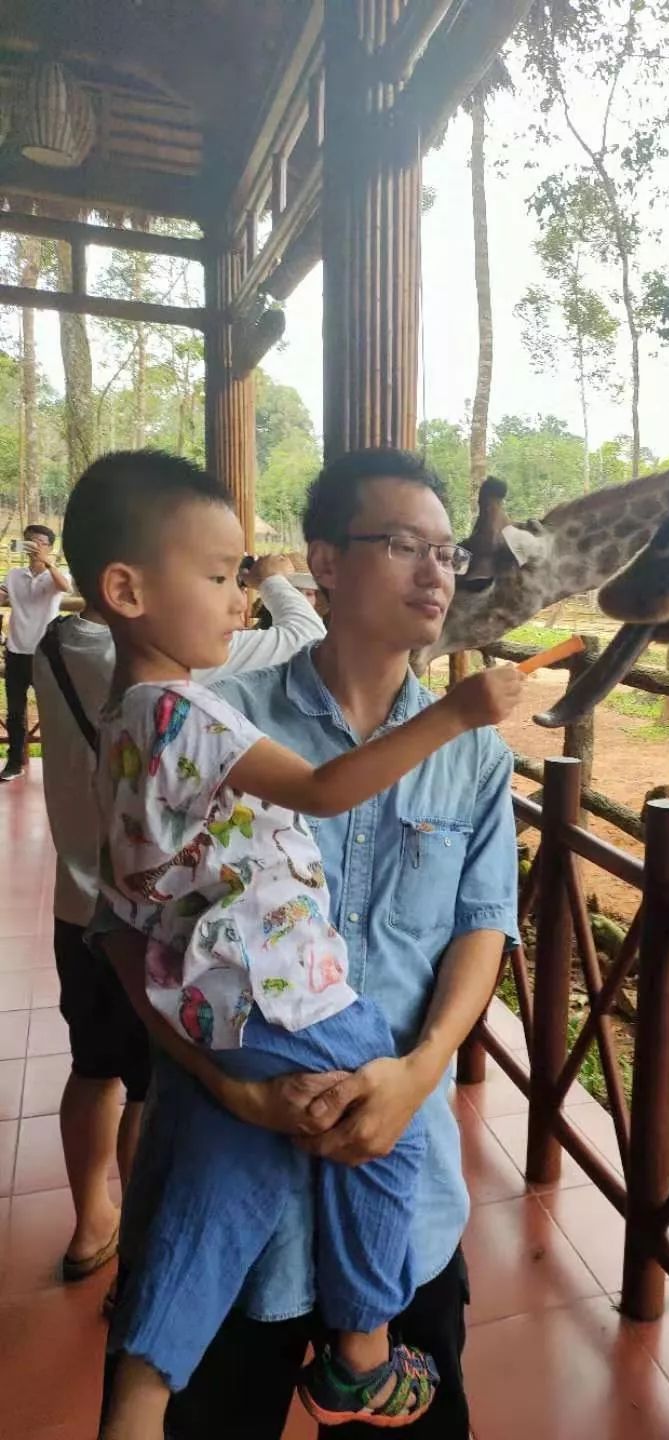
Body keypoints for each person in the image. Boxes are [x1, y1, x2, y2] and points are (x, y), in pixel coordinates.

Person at [65, 449, 524, 1439]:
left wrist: (417, 1074)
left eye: (447, 552)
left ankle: (361, 1354)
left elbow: (483, 928)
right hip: (237, 1199)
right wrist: (229, 1086)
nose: (437, 572)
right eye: (403, 544)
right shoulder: (214, 718)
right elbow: (122, 932)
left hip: (402, 1194)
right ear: (324, 561)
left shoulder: (477, 759)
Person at [33, 537, 326, 1290]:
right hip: (152, 924)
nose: (228, 598)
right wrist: (277, 581)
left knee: (92, 1067)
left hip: (78, 906)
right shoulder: (165, 673)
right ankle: (146, 1252)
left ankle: (89, 1223)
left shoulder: (59, 643)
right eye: (213, 575)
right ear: (133, 590)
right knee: (150, 1087)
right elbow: (305, 636)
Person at [1, 523, 72, 781]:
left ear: (49, 547)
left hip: (45, 655)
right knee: (15, 713)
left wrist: (48, 562)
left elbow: (65, 587)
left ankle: (59, 764)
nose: (34, 546)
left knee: (52, 713)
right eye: (30, 541)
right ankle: (14, 762)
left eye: (40, 542)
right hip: (16, 651)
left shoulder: (56, 575)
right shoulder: (14, 575)